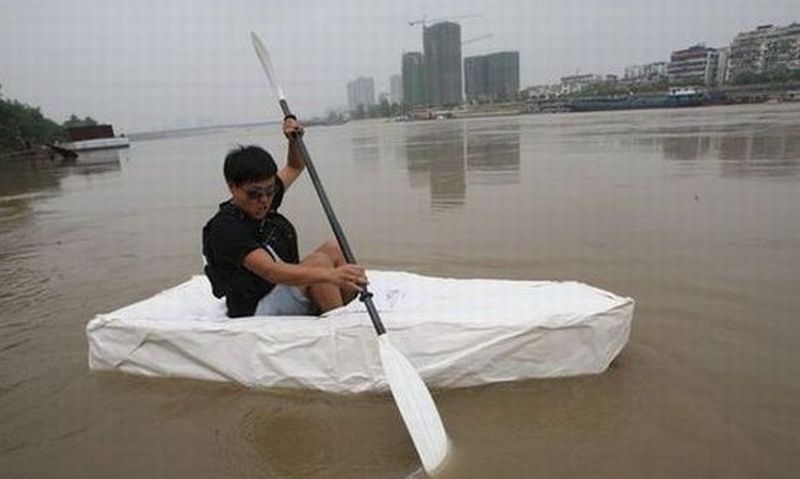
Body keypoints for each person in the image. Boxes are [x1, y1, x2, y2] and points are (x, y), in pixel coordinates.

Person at [202, 116, 368, 318]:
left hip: (279, 289)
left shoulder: (265, 197)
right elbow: (271, 271)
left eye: (270, 191)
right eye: (254, 194)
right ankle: (339, 324)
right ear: (232, 187)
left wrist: (293, 140)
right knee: (320, 264)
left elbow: (295, 166)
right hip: (255, 308)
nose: (264, 200)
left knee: (334, 247)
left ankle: (337, 308)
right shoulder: (226, 228)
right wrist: (331, 275)